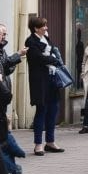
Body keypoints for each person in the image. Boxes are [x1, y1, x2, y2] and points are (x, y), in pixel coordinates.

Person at [24, 16, 65, 156]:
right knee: (41, 110)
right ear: (36, 28)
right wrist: (53, 59)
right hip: (40, 81)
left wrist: (52, 57)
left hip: (52, 78)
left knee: (53, 110)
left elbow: (52, 52)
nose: (46, 28)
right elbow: (38, 58)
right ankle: (38, 144)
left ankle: (50, 142)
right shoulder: (31, 41)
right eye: (43, 26)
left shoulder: (45, 39)